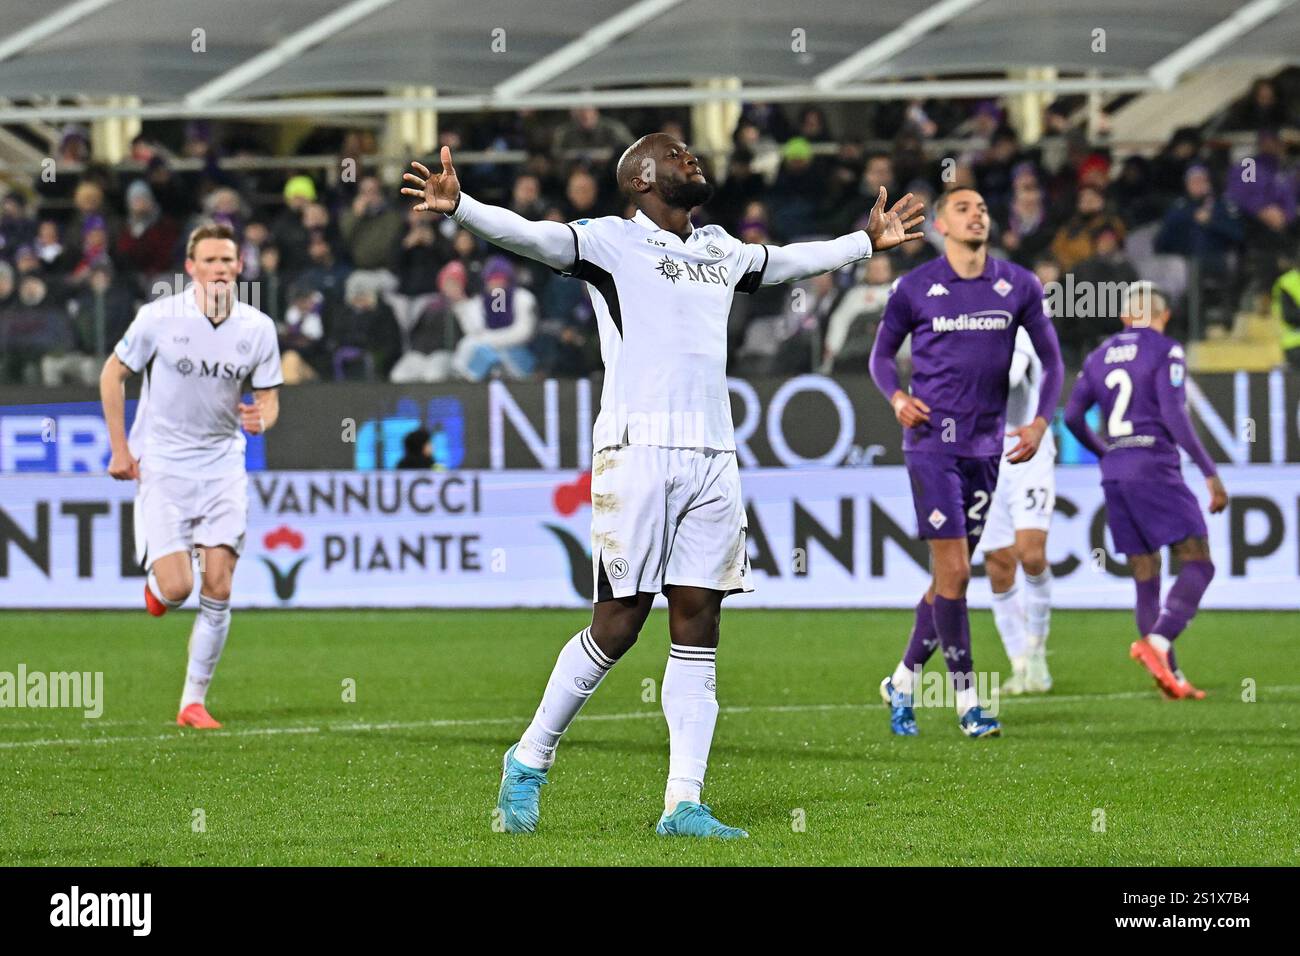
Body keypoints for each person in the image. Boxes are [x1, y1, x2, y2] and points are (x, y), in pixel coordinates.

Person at [403, 135, 923, 838]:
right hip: (636, 448)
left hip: (713, 453)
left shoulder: (718, 250)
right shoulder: (610, 242)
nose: (693, 158)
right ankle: (529, 758)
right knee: (618, 623)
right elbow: (532, 237)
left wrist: (864, 241)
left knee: (699, 624)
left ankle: (683, 803)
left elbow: (787, 262)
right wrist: (461, 206)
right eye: (677, 153)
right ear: (643, 176)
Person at [870, 187, 1064, 738]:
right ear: (941, 226)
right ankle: (968, 703)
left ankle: (903, 680)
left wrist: (1040, 422)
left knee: (946, 581)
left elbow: (1052, 362)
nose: (977, 213)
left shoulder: (1018, 285)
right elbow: (881, 355)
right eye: (963, 208)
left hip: (988, 449)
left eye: (982, 206)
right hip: (932, 445)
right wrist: (898, 398)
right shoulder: (916, 287)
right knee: (956, 573)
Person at [100, 222, 283, 729]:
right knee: (179, 588)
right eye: (211, 261)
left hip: (223, 464)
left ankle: (192, 702)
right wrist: (120, 449)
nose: (221, 269)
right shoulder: (159, 319)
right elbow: (112, 373)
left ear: (240, 267)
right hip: (163, 462)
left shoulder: (257, 328)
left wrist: (260, 418)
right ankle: (161, 592)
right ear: (191, 268)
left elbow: (268, 400)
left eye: (228, 260)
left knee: (220, 584)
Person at [1063, 284, 1226, 699]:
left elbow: (1072, 416)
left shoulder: (1097, 357)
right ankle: (1157, 642)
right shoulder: (1166, 349)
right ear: (1164, 315)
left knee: (1145, 574)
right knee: (1198, 563)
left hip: (1115, 471)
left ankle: (1171, 677)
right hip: (1153, 464)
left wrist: (1106, 452)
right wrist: (1209, 471)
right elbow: (1173, 412)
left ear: (1124, 317)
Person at [974, 327, 1056, 695]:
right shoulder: (956, 322)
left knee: (1031, 553)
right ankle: (1019, 663)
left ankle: (1037, 650)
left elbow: (1009, 379)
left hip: (1027, 448)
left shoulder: (1017, 330)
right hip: (985, 452)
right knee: (998, 564)